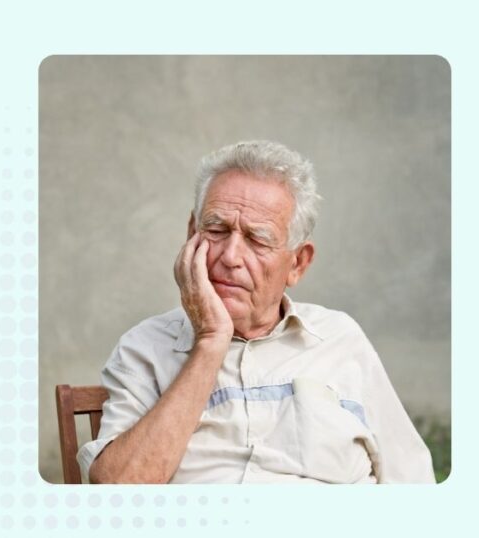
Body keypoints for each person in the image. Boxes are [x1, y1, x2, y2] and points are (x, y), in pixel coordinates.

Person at [80, 140, 435, 484]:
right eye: (216, 230)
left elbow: (412, 480)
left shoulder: (339, 338)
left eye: (258, 239)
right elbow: (118, 489)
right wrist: (210, 342)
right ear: (191, 234)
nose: (231, 257)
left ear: (297, 263)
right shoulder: (146, 347)